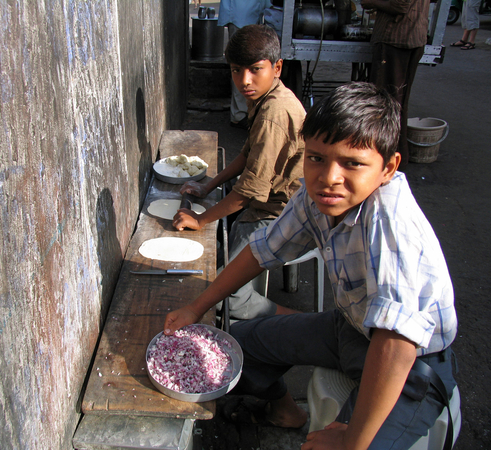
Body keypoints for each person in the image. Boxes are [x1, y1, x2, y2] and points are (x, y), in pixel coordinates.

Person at [165, 82, 458, 449]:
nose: (329, 177)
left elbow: (396, 346)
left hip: (412, 365)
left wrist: (352, 440)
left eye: (352, 163)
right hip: (351, 329)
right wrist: (196, 307)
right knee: (239, 346)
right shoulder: (314, 196)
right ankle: (286, 411)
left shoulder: (391, 224)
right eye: (316, 158)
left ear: (388, 167)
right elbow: (261, 251)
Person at [173, 24, 305, 320]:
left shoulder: (274, 114)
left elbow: (249, 192)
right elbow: (246, 155)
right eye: (236, 70)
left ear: (277, 67)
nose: (244, 80)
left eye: (255, 70)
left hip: (277, 211)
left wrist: (200, 219)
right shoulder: (265, 97)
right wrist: (208, 186)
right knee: (217, 229)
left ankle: (298, 322)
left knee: (223, 295)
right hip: (265, 196)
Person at [362, 0, 430, 169]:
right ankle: (395, 155)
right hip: (410, 35)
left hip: (397, 38)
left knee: (384, 102)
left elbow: (401, 5)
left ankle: (384, 157)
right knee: (397, 101)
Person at [218, 0, 273, 128]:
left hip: (251, 12)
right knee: (242, 65)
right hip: (242, 14)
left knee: (248, 65)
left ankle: (245, 112)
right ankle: (239, 114)